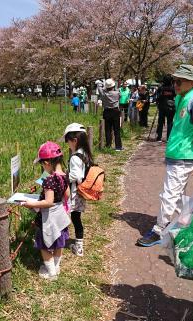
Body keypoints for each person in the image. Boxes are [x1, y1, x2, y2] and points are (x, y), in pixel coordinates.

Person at [136, 64, 193, 247]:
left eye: (179, 81)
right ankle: (191, 226)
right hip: (176, 153)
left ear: (191, 82)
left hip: (185, 155)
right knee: (177, 196)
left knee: (169, 194)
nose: (175, 84)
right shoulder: (181, 98)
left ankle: (159, 229)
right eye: (174, 80)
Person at [21, 141, 71, 280]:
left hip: (49, 217)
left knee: (44, 245)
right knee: (59, 241)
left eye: (42, 164)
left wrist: (31, 203)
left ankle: (51, 272)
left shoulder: (49, 180)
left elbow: (48, 202)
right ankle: (56, 266)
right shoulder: (64, 175)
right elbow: (67, 195)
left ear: (47, 162)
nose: (43, 167)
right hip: (60, 215)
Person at [63, 123, 94, 256]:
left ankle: (78, 247)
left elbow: (76, 175)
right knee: (76, 218)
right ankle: (78, 244)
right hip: (81, 193)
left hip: (75, 193)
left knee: (73, 218)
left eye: (68, 141)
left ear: (74, 141)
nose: (67, 144)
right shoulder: (85, 153)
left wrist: (64, 176)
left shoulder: (75, 157)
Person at [96, 78, 123, 151]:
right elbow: (119, 94)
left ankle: (108, 145)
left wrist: (101, 83)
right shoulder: (117, 93)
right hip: (115, 111)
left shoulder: (103, 94)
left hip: (107, 112)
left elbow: (99, 87)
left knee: (107, 129)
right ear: (113, 86)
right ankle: (118, 147)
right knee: (116, 130)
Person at [155, 75, 176, 141]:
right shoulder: (173, 88)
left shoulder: (161, 88)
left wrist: (158, 102)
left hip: (161, 107)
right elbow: (176, 96)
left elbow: (157, 97)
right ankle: (168, 138)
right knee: (170, 122)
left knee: (160, 122)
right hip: (170, 107)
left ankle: (159, 137)